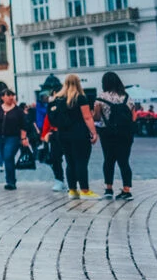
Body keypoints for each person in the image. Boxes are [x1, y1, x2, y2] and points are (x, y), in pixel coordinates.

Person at [49, 74, 98, 198]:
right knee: (81, 161)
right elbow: (87, 117)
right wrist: (94, 132)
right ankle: (85, 191)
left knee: (70, 162)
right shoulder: (80, 98)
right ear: (78, 83)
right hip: (79, 133)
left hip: (62, 134)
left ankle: (72, 190)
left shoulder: (57, 98)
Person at [94, 71, 134, 200]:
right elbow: (133, 116)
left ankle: (109, 189)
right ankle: (127, 190)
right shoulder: (127, 97)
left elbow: (97, 117)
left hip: (107, 134)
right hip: (125, 134)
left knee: (109, 160)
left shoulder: (100, 97)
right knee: (124, 161)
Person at [0, 89, 32, 191]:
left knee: (8, 156)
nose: (11, 97)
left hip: (14, 137)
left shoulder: (18, 111)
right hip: (0, 137)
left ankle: (10, 182)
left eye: (12, 95)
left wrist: (24, 138)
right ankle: (11, 180)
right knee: (7, 158)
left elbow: (24, 125)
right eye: (9, 95)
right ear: (2, 97)